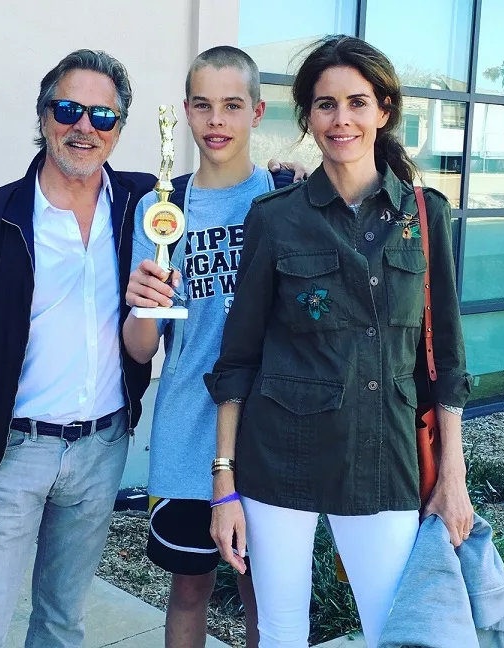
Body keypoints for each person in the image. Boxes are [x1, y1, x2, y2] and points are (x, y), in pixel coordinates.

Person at [205, 35, 474, 648]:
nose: (341, 119)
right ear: (307, 117)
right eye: (325, 105)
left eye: (357, 102)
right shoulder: (275, 218)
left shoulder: (424, 215)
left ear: (383, 110)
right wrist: (225, 479)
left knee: (394, 629)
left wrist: (451, 477)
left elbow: (448, 362)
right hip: (280, 459)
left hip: (386, 461)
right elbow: (239, 356)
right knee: (279, 630)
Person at [0, 49, 157, 648]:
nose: (85, 128)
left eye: (104, 117)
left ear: (119, 130)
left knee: (62, 622)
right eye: (70, 109)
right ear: (44, 115)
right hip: (9, 455)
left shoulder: (145, 208)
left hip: (102, 448)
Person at [123, 46, 305, 648]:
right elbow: (141, 349)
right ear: (185, 114)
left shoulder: (288, 201)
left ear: (256, 112)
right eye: (203, 106)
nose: (216, 121)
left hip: (272, 434)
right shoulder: (160, 208)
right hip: (187, 432)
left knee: (263, 593)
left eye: (232, 105)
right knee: (191, 589)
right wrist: (145, 302)